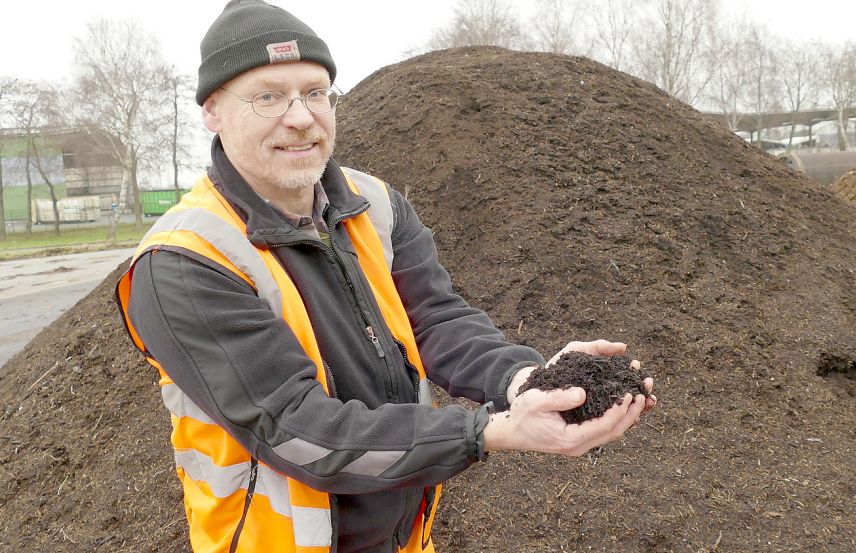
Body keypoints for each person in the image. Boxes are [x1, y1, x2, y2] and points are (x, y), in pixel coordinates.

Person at [115, 1, 655, 552]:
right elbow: (297, 428)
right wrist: (490, 430)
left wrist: (526, 381)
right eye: (268, 96)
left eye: (315, 92)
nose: (300, 117)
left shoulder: (373, 205)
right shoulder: (184, 262)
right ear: (212, 111)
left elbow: (436, 320)